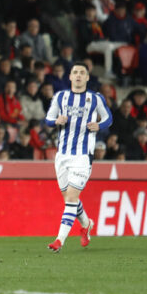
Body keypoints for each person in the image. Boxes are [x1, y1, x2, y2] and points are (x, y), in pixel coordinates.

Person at [45, 63, 113, 253]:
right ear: (70, 76)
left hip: (82, 156)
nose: (78, 75)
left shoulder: (95, 98)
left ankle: (59, 241)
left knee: (71, 198)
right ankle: (86, 224)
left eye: (82, 73)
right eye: (75, 72)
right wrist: (56, 121)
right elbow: (48, 119)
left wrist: (99, 125)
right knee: (69, 198)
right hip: (62, 156)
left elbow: (108, 118)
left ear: (87, 78)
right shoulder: (60, 97)